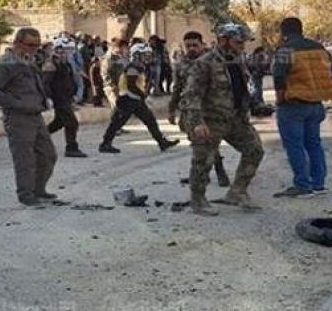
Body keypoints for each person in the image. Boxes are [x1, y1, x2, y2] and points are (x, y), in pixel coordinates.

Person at [181, 24, 264, 213]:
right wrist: (197, 122)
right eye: (238, 42)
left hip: (235, 119)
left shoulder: (237, 60)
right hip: (210, 120)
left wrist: (254, 105)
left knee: (254, 150)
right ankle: (198, 200)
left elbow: (241, 88)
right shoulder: (204, 63)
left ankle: (237, 192)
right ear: (224, 40)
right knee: (203, 162)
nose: (242, 46)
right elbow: (191, 95)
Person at [0, 28, 57, 206]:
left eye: (37, 45)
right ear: (17, 43)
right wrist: (18, 103)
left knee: (48, 155)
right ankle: (26, 194)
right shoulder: (6, 64)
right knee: (25, 159)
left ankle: (38, 189)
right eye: (30, 45)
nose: (34, 49)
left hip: (35, 115)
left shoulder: (27, 61)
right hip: (18, 118)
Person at [271, 18, 332, 198]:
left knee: (294, 146)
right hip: (315, 104)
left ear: (283, 32)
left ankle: (302, 185)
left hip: (293, 104)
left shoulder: (285, 49)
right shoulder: (319, 47)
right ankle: (318, 184)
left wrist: (279, 99)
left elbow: (279, 76)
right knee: (314, 144)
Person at [169, 31, 229, 188]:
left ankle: (219, 171)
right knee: (197, 143)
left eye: (195, 45)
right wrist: (171, 109)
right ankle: (201, 175)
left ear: (202, 45)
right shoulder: (181, 65)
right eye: (188, 46)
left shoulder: (212, 62)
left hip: (210, 109)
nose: (191, 48)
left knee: (209, 142)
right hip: (190, 110)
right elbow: (177, 88)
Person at [98, 43, 180, 154]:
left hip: (135, 99)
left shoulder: (139, 66)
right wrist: (143, 95)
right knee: (117, 122)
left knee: (150, 120)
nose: (147, 57)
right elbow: (131, 85)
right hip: (127, 99)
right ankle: (105, 144)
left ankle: (162, 142)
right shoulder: (133, 67)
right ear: (136, 55)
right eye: (144, 55)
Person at [43, 37, 87, 158]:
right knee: (72, 123)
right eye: (66, 50)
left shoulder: (66, 64)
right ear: (58, 50)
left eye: (70, 50)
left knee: (59, 122)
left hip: (66, 98)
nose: (69, 53)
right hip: (59, 99)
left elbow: (70, 80)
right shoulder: (51, 65)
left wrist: (73, 95)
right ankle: (71, 148)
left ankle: (39, 137)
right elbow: (45, 83)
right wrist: (48, 98)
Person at [101, 38, 129, 110]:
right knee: (117, 106)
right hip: (111, 88)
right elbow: (105, 74)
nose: (125, 49)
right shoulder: (108, 59)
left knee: (119, 109)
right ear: (117, 47)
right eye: (124, 47)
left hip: (120, 87)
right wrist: (113, 86)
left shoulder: (121, 58)